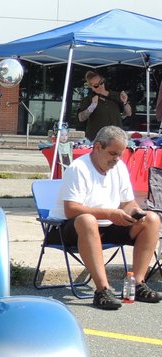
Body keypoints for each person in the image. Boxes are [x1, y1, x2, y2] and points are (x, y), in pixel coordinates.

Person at [48, 125, 161, 310]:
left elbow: (128, 202)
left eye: (120, 154)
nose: (117, 159)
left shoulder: (120, 168)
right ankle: (102, 290)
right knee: (87, 220)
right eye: (112, 154)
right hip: (67, 228)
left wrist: (133, 212)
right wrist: (110, 213)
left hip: (106, 225)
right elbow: (71, 210)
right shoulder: (79, 168)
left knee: (151, 219)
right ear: (98, 147)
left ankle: (137, 284)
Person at [77, 71, 132, 142]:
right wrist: (92, 107)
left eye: (101, 83)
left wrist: (125, 102)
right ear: (91, 87)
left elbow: (128, 113)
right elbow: (81, 118)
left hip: (116, 138)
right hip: (96, 139)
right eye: (96, 85)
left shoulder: (115, 95)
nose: (100, 86)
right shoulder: (88, 99)